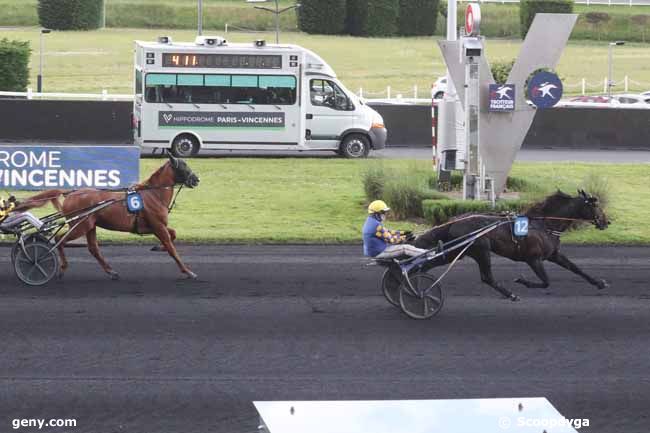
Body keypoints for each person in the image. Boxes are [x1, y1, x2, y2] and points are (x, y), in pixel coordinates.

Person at [362, 200, 429, 258]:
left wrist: (404, 233)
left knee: (403, 245)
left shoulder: (371, 221)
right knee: (405, 248)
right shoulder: (376, 225)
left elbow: (388, 232)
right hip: (379, 252)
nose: (385, 214)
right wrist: (405, 237)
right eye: (383, 212)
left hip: (373, 251)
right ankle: (429, 254)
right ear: (376, 213)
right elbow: (392, 240)